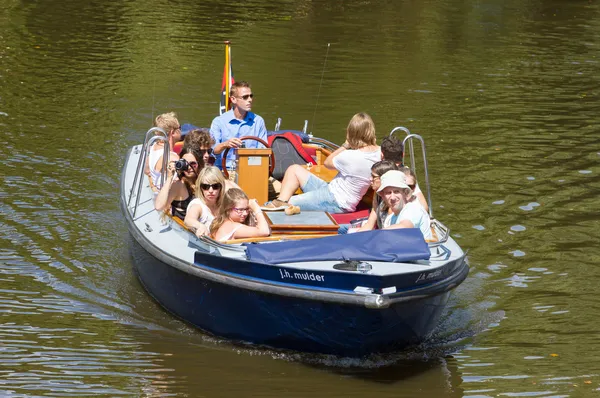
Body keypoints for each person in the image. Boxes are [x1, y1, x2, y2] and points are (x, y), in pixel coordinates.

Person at [265, 112, 381, 213]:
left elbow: (327, 163)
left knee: (288, 202)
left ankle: (278, 205)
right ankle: (281, 201)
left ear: (351, 133)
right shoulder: (379, 152)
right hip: (331, 189)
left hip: (336, 202)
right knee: (294, 169)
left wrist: (346, 145)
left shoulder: (349, 156)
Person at [209, 81, 267, 174]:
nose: (250, 100)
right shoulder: (219, 122)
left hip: (251, 170)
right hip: (223, 170)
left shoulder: (258, 121)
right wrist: (226, 144)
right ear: (233, 99)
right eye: (245, 97)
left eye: (251, 96)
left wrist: (248, 164)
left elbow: (263, 153)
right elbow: (213, 151)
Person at [377, 170, 432, 239]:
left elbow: (405, 226)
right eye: (388, 193)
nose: (392, 197)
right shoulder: (390, 219)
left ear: (405, 193)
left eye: (396, 192)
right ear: (383, 196)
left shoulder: (413, 209)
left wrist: (376, 235)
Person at [154, 145, 203, 219]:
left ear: (199, 164)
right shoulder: (179, 185)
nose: (189, 167)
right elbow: (158, 206)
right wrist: (170, 177)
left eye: (193, 164)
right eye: (185, 164)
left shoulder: (204, 179)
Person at [353, 160, 398, 232]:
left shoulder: (394, 202)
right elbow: (369, 225)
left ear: (384, 178)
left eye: (373, 176)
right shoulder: (378, 194)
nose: (370, 179)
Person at [184, 166, 226, 238]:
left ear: (221, 187)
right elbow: (188, 220)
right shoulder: (198, 205)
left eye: (215, 186)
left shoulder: (224, 203)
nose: (210, 191)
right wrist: (200, 226)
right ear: (200, 188)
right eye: (205, 186)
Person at [147, 112, 182, 191]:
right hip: (168, 194)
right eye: (180, 128)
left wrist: (153, 186)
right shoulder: (172, 157)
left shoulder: (153, 147)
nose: (181, 131)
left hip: (158, 188)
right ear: (172, 132)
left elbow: (147, 170)